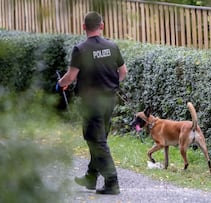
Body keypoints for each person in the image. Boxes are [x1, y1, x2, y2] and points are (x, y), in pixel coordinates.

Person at [56, 11, 127, 195]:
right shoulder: (112, 46)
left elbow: (71, 77)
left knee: (96, 139)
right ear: (102, 26)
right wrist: (112, 85)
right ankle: (91, 176)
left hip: (91, 102)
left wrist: (60, 84)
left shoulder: (81, 49)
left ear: (83, 27)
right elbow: (123, 72)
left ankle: (112, 182)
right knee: (99, 137)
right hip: (109, 100)